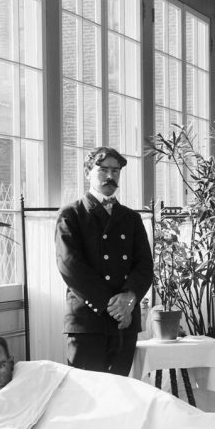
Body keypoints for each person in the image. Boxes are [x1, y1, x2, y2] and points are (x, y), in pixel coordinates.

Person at [55, 147, 153, 376]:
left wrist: (130, 298)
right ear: (88, 172)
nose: (111, 176)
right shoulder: (71, 214)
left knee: (120, 395)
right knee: (86, 399)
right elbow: (69, 265)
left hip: (124, 323)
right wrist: (113, 306)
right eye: (103, 170)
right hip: (89, 322)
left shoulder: (131, 218)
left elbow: (145, 266)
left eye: (116, 171)